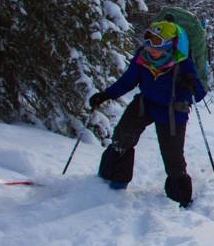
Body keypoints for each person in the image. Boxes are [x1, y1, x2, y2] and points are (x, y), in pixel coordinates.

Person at [89, 20, 207, 207]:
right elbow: (128, 80)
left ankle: (179, 200)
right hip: (146, 103)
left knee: (172, 156)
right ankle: (111, 183)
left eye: (157, 44)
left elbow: (199, 95)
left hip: (173, 110)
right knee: (122, 138)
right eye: (148, 42)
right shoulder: (142, 57)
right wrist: (106, 95)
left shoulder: (183, 62)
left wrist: (191, 85)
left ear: (170, 44)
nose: (151, 49)